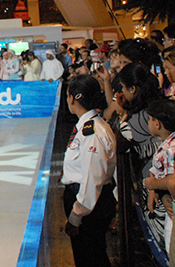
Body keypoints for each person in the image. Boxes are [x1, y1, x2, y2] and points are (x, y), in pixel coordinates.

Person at [61, 75, 117, 267]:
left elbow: (93, 179)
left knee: (90, 256)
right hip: (87, 201)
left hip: (89, 206)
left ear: (72, 98)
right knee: (89, 254)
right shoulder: (88, 126)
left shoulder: (92, 133)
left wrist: (76, 215)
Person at [142, 98, 175, 252]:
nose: (148, 123)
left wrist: (152, 184)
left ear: (157, 124)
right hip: (170, 204)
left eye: (150, 119)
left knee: (172, 243)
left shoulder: (174, 148)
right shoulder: (171, 142)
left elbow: (174, 179)